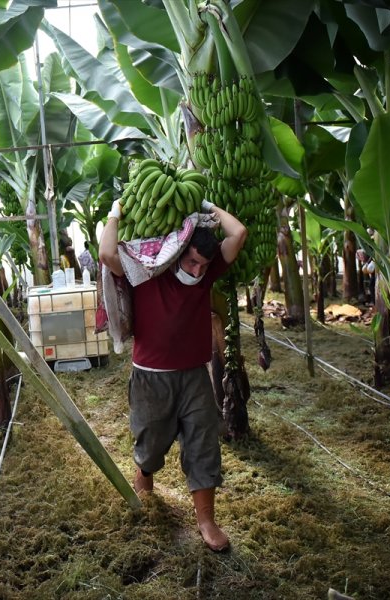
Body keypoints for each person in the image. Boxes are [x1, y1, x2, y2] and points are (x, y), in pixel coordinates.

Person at [98, 197, 247, 552]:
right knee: (150, 446)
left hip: (195, 376)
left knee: (203, 444)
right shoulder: (146, 270)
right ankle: (144, 477)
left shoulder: (208, 273)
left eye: (203, 264)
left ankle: (207, 521)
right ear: (178, 250)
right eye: (193, 261)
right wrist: (116, 211)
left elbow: (238, 233)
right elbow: (106, 255)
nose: (197, 271)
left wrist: (210, 209)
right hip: (151, 378)